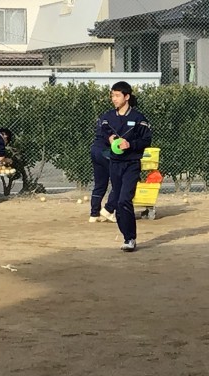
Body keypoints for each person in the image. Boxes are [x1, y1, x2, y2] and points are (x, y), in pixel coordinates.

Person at [97, 81, 152, 252]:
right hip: (114, 164)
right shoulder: (107, 117)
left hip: (131, 165)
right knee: (119, 204)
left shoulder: (138, 119)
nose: (114, 99)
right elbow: (101, 133)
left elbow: (146, 140)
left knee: (124, 200)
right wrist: (109, 139)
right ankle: (125, 235)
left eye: (117, 95)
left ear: (126, 97)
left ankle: (130, 239)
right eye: (112, 95)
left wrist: (130, 144)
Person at [88, 118, 117, 223]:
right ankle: (108, 210)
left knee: (100, 184)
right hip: (105, 151)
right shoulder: (116, 118)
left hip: (95, 149)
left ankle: (94, 214)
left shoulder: (104, 118)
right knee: (119, 182)